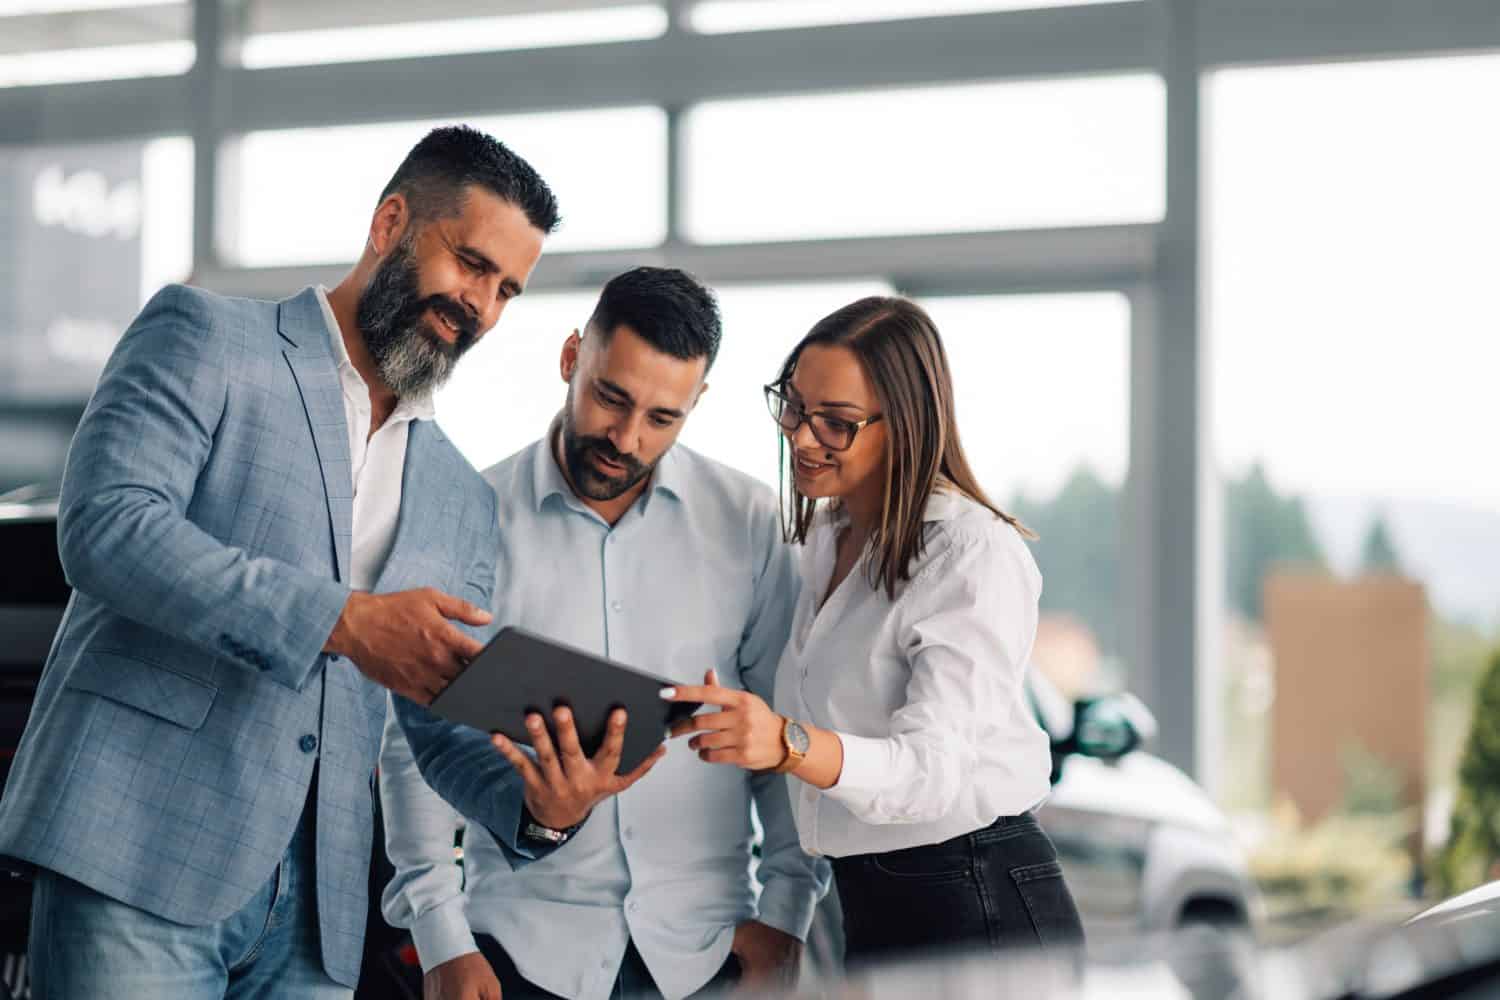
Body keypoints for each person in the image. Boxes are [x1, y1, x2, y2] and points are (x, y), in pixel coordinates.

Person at [0, 125, 559, 998]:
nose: (481, 306)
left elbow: (438, 721)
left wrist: (544, 805)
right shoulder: (207, 334)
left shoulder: (460, 496)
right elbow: (107, 528)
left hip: (318, 918)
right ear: (390, 222)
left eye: (506, 289)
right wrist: (344, 621)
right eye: (470, 263)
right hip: (139, 857)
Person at [383, 267, 830, 1000]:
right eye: (610, 397)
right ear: (570, 359)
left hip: (707, 955)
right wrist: (440, 940)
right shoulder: (468, 515)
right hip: (518, 957)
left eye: (662, 418)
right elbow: (415, 744)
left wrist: (788, 912)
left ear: (698, 403)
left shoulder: (750, 523)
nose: (625, 438)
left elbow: (786, 728)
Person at [664, 296, 1085, 969]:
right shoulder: (825, 540)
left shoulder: (970, 552)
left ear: (906, 425)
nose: (801, 437)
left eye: (836, 423)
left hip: (976, 897)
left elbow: (930, 775)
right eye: (794, 406)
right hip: (869, 898)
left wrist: (784, 742)